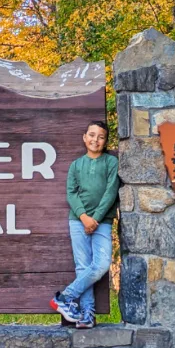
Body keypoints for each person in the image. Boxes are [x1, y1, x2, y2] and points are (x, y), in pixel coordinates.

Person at [50, 120, 120, 329]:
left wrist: (96, 218)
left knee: (100, 265)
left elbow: (111, 192)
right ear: (84, 137)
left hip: (103, 222)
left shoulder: (110, 163)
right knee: (83, 267)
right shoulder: (76, 165)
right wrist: (84, 217)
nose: (95, 140)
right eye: (91, 135)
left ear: (105, 141)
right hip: (78, 222)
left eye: (100, 137)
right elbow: (71, 193)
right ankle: (87, 314)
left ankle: (65, 297)